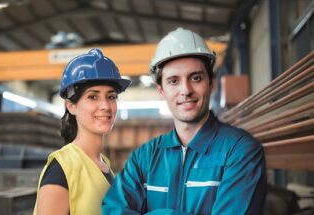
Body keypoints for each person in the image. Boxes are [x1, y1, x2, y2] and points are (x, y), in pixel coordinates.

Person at [102, 28, 267, 214]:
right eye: (173, 81)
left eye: (195, 78)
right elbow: (112, 209)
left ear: (211, 83)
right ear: (161, 90)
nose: (186, 90)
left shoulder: (240, 152)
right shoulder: (145, 157)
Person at [33, 48, 131, 215]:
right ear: (71, 106)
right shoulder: (63, 168)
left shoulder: (104, 165)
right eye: (93, 97)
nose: (105, 106)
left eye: (111, 96)